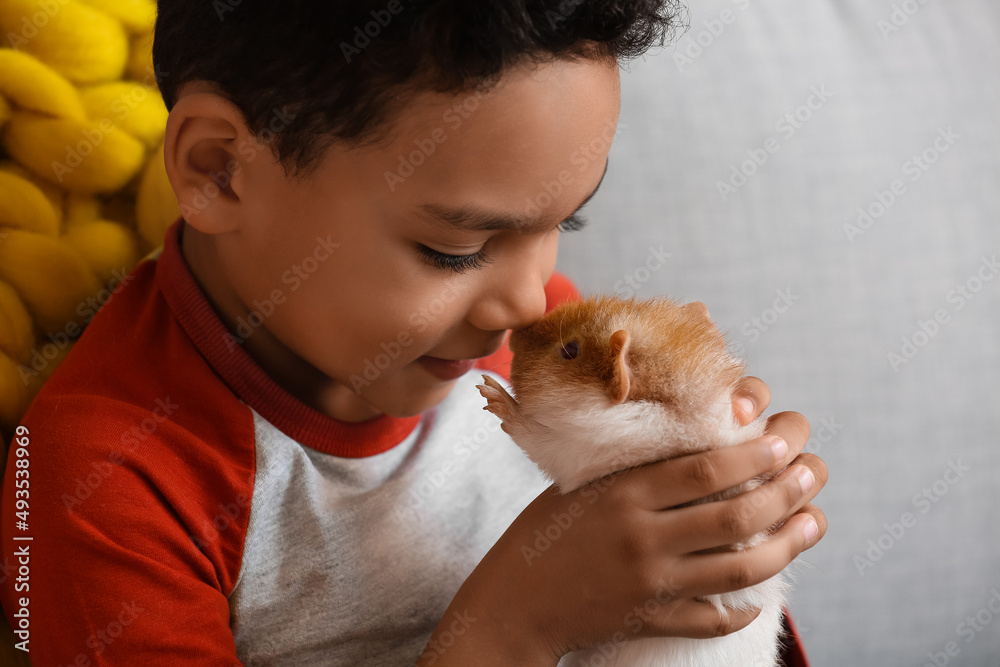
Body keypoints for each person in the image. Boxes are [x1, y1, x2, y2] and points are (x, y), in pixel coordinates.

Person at [0, 1, 828, 664]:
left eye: (562, 226)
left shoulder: (539, 349)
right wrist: (510, 632)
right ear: (220, 167)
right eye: (453, 249)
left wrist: (720, 526)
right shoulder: (98, 484)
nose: (533, 302)